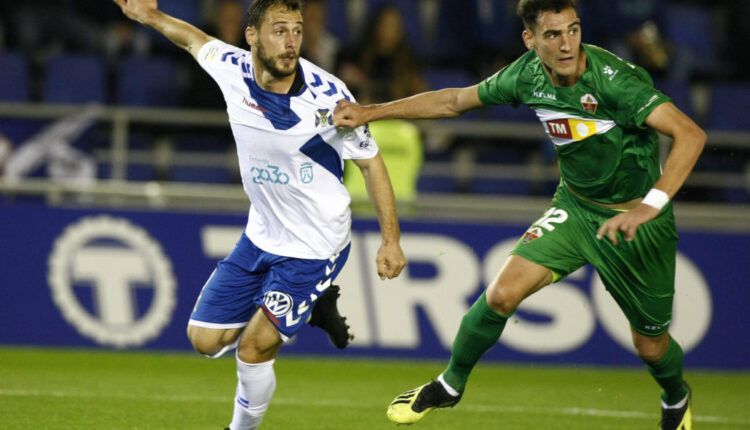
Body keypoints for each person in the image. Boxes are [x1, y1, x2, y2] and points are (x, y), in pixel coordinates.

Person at [334, 1, 705, 429]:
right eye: (553, 35)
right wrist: (370, 112)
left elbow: (690, 134)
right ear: (530, 40)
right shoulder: (526, 74)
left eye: (573, 30)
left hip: (638, 224)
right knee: (501, 295)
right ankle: (450, 384)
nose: (567, 45)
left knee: (650, 347)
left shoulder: (613, 81)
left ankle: (676, 396)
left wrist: (648, 206)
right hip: (576, 209)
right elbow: (454, 101)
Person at [114, 1, 407, 429]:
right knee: (204, 340)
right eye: (279, 30)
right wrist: (149, 16)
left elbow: (371, 163)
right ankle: (316, 305)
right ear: (252, 36)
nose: (291, 42)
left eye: (297, 31)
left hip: (314, 246)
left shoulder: (329, 97)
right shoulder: (232, 67)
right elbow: (193, 40)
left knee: (252, 349)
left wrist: (390, 239)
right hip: (261, 236)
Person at [336, 3, 426, 104]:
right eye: (385, 25)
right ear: (375, 26)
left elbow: (421, 100)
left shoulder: (409, 62)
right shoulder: (357, 58)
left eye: (394, 26)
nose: (388, 32)